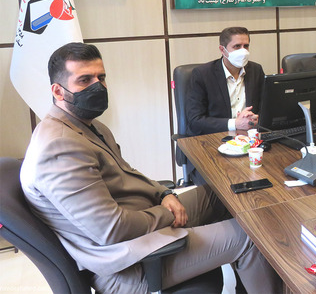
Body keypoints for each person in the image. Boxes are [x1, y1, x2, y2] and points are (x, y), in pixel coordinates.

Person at [20, 42, 281, 294]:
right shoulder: (59, 147)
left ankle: (250, 276)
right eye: (84, 80)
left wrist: (163, 194)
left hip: (141, 220)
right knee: (252, 236)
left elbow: (128, 174)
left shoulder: (88, 125)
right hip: (130, 265)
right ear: (58, 91)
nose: (97, 86)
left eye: (101, 77)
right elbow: (111, 230)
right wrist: (166, 214)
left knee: (222, 194)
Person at [185, 27, 264, 182]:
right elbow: (195, 120)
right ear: (223, 50)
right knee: (225, 184)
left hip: (249, 143)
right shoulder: (202, 75)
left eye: (246, 46)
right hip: (213, 143)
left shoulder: (256, 70)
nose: (243, 51)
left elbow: (264, 106)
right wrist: (235, 123)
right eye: (237, 46)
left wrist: (256, 118)